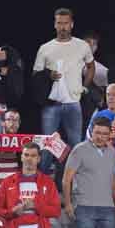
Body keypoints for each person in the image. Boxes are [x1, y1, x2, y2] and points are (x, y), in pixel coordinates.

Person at [33, 9, 95, 150]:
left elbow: (91, 66)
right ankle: (45, 172)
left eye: (66, 23)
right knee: (47, 145)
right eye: (59, 23)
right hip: (51, 103)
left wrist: (85, 86)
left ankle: (75, 172)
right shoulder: (45, 48)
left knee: (76, 145)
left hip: (73, 102)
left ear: (71, 24)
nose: (62, 27)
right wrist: (49, 75)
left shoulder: (82, 45)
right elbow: (36, 74)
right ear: (55, 25)